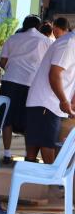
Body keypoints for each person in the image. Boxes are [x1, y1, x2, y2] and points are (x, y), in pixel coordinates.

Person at [0, 15, 51, 163]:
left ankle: (7, 154)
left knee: (7, 118)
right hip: (32, 83)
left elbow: (3, 62)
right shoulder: (45, 41)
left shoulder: (13, 38)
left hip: (10, 81)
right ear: (39, 26)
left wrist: (13, 68)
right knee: (30, 119)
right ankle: (29, 156)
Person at [25, 32, 75, 164]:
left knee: (37, 144)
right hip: (46, 102)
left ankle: (35, 181)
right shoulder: (69, 43)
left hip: (49, 102)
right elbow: (54, 74)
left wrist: (70, 100)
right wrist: (64, 100)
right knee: (47, 144)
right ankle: (51, 181)